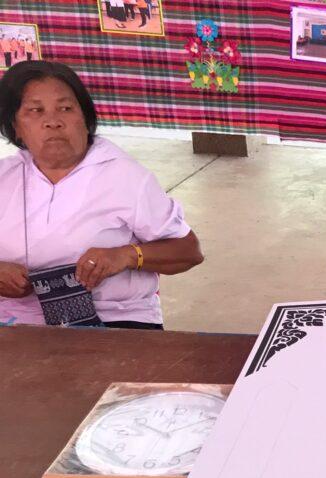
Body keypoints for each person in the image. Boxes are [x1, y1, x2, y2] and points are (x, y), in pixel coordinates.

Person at [0, 61, 204, 328]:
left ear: (85, 120)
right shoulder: (6, 176)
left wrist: (127, 255)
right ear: (16, 127)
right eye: (35, 111)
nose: (53, 122)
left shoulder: (125, 176)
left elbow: (189, 251)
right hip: (16, 319)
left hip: (115, 316)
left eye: (65, 108)